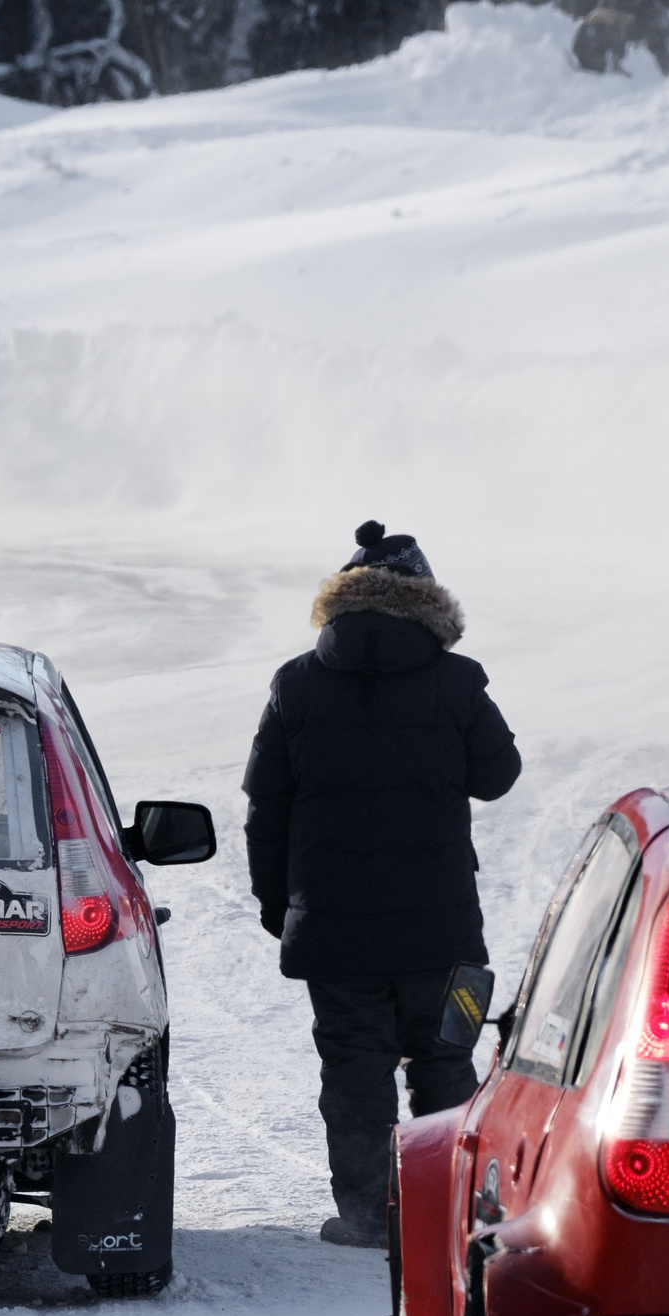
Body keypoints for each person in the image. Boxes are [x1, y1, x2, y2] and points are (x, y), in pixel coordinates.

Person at [243, 519, 521, 1249]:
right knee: (445, 1058)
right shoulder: (457, 681)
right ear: (427, 601)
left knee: (353, 1066)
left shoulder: (296, 683)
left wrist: (281, 906)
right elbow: (500, 776)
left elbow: (265, 811)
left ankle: (369, 1215)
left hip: (335, 929)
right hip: (444, 932)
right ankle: (444, 1210)